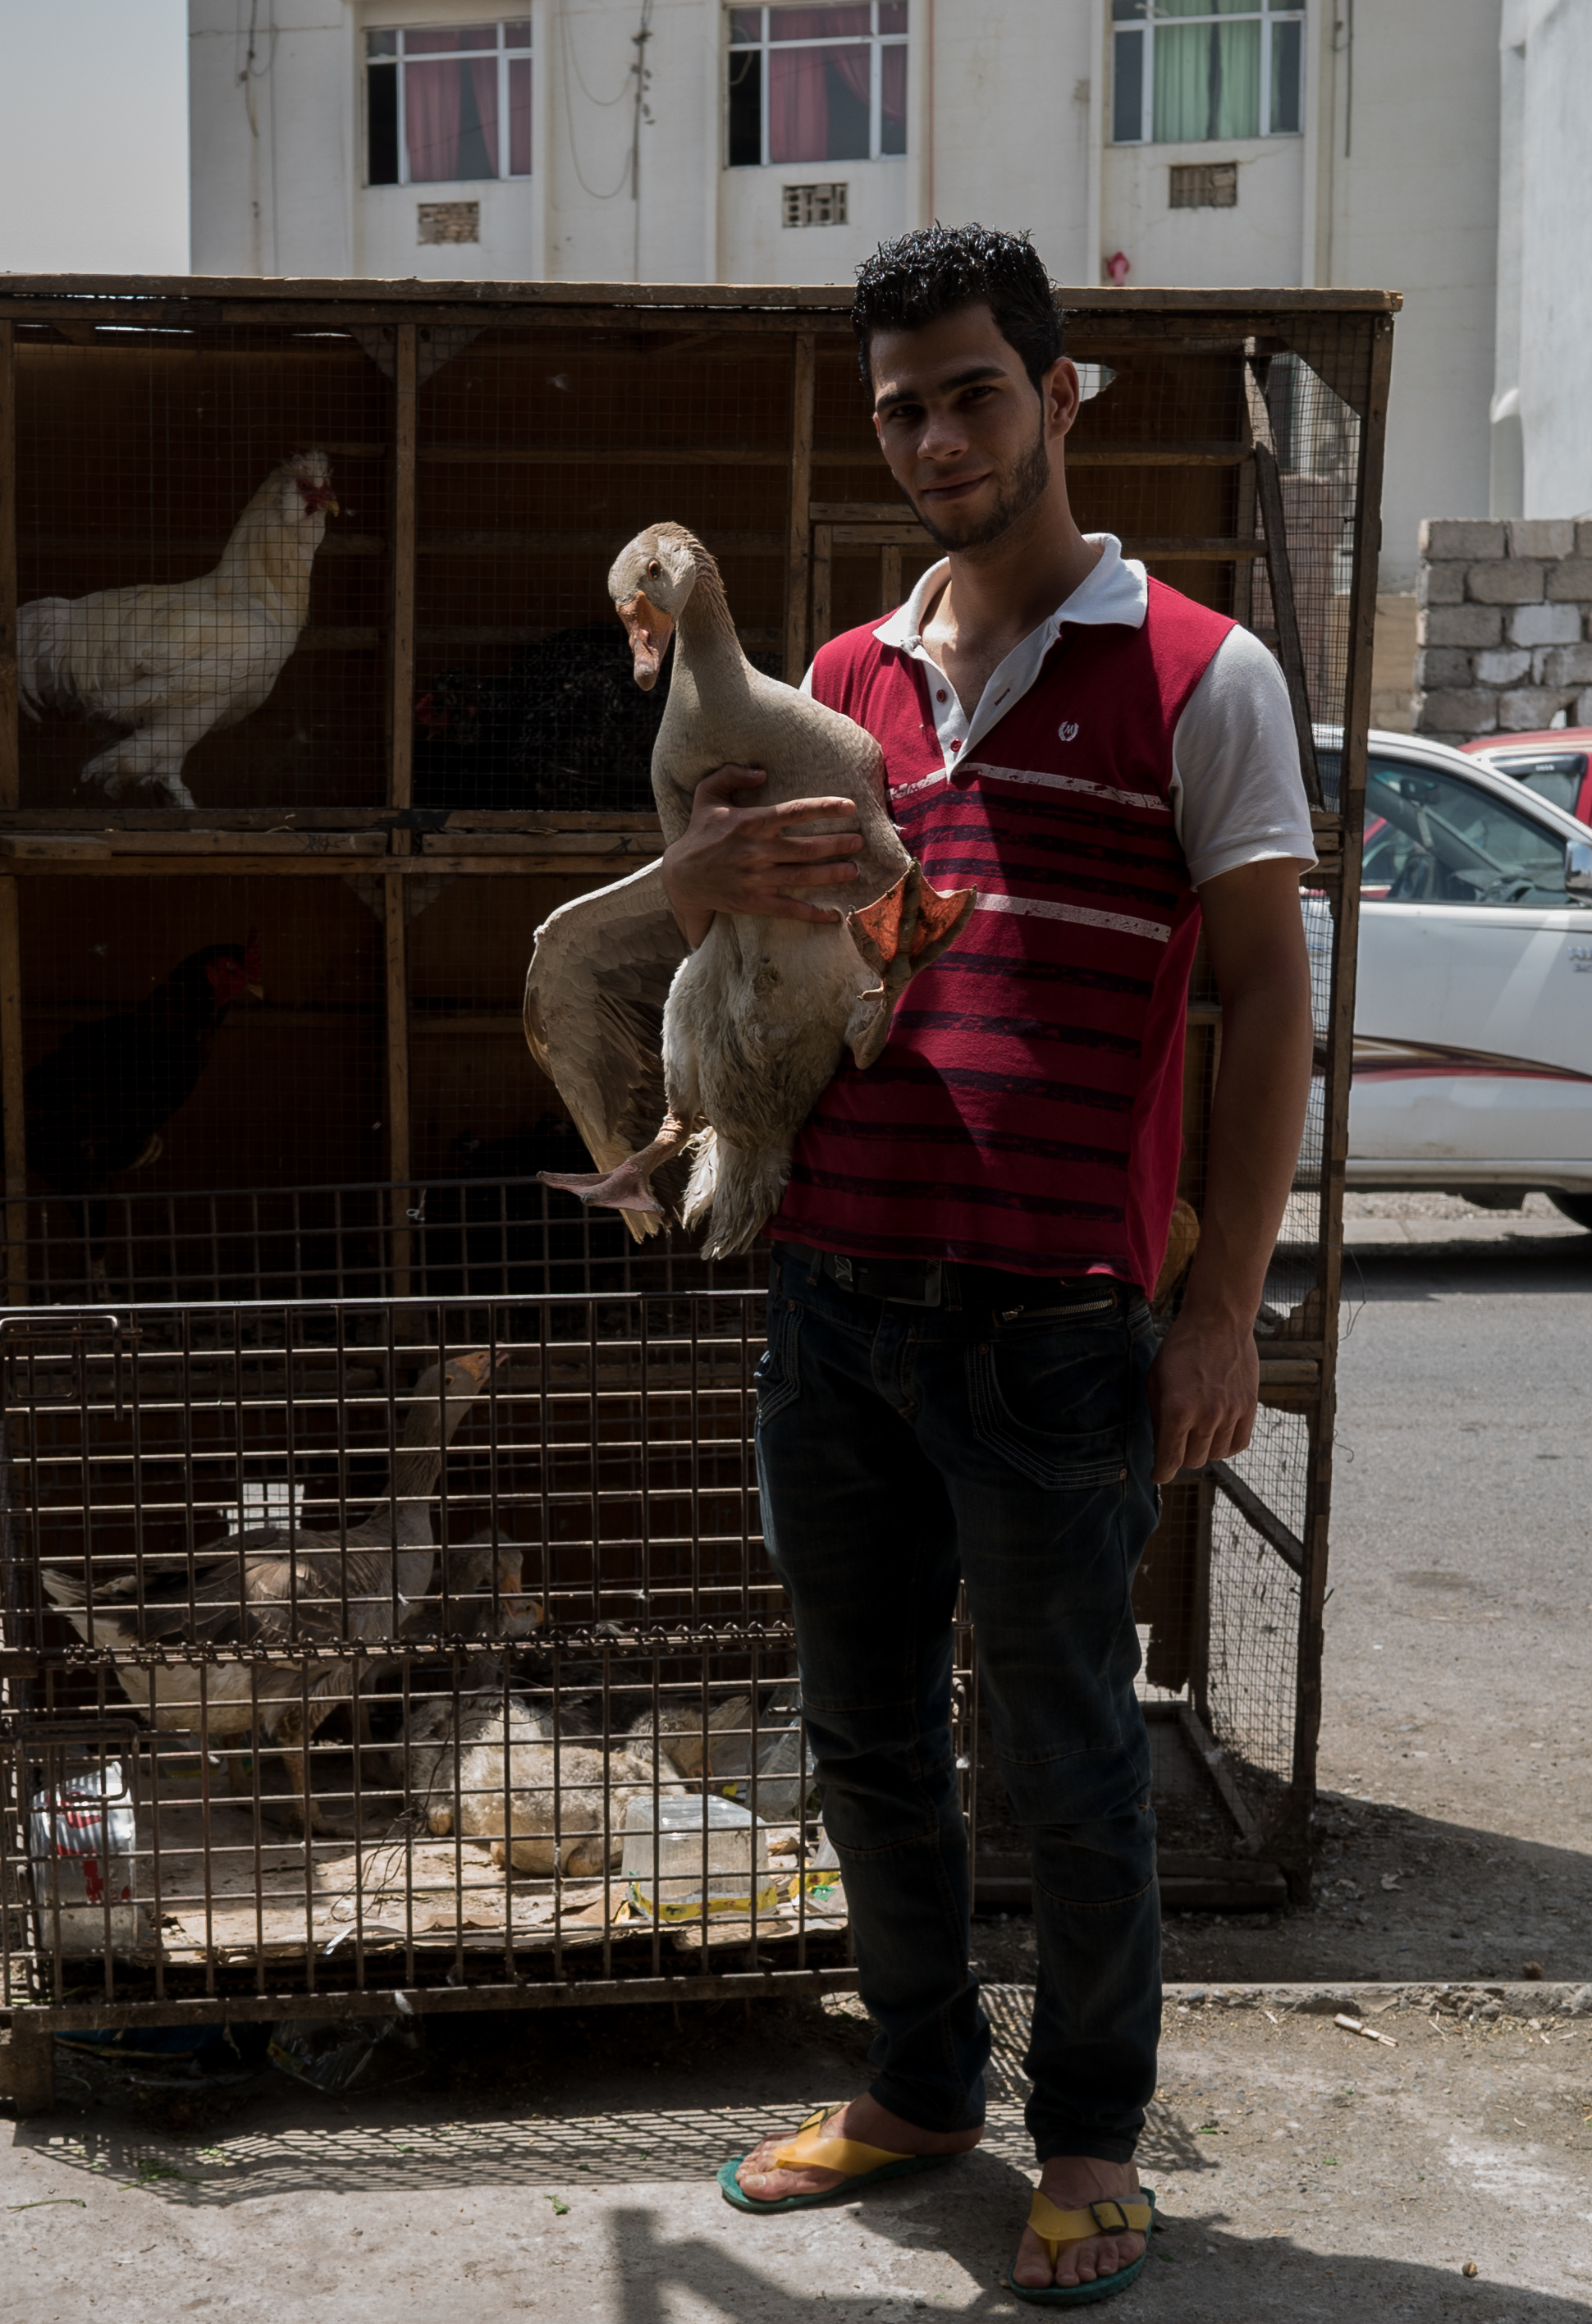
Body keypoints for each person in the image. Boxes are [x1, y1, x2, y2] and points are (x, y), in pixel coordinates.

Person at [678, 225, 1320, 2304]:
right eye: (898, 405)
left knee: (1063, 1754)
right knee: (864, 1736)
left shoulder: (1200, 674)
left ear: (1058, 397)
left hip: (1057, 1323)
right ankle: (919, 2086)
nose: (935, 433)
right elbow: (754, 960)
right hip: (833, 1306)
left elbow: (1261, 1002)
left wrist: (1218, 1306)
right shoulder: (840, 690)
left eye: (970, 389)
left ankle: (1094, 2139)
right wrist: (693, 878)